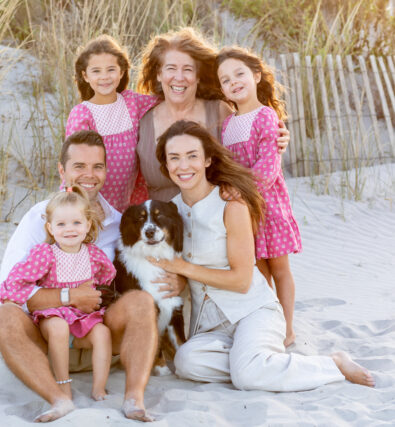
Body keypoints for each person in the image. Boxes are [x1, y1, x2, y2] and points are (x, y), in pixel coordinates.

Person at [148, 120, 375, 392]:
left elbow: (242, 280)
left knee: (247, 376)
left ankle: (332, 363)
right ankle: (258, 362)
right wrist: (179, 278)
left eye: (192, 156)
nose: (183, 166)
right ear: (166, 165)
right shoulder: (168, 213)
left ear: (207, 159)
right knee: (187, 363)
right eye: (174, 158)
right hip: (209, 325)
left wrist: (183, 267)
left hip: (252, 311)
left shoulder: (230, 204)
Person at [0, 130, 158, 423]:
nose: (89, 175)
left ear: (106, 170)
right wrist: (68, 297)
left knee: (142, 302)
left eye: (97, 166)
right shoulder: (39, 218)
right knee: (2, 316)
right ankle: (58, 398)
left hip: (99, 336)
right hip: (48, 339)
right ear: (62, 170)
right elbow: (10, 290)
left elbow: (141, 278)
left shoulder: (120, 223)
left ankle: (134, 399)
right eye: (79, 166)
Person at [136, 27, 290, 202]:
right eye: (171, 68)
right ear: (158, 74)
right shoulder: (141, 117)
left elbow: (253, 150)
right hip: (161, 224)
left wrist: (276, 139)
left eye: (187, 69)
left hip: (216, 221)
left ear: (199, 76)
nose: (179, 77)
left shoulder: (220, 112)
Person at [0, 186, 116, 406]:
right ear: (50, 228)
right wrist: (16, 298)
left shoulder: (93, 254)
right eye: (61, 224)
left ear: (88, 225)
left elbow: (108, 275)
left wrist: (94, 290)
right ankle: (63, 385)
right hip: (52, 314)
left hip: (81, 315)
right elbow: (16, 280)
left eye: (76, 223)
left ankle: (99, 388)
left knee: (102, 333)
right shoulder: (45, 254)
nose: (69, 229)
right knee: (58, 327)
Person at [217, 46, 301, 347]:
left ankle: (289, 327)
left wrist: (238, 191)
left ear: (255, 75)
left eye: (239, 74)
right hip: (243, 211)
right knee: (259, 270)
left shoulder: (266, 116)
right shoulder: (227, 124)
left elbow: (266, 167)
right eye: (225, 80)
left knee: (279, 269)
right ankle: (271, 323)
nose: (233, 82)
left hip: (268, 206)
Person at [66, 35, 158, 212]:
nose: (104, 77)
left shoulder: (132, 102)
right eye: (96, 71)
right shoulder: (82, 113)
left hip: (130, 202)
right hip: (92, 203)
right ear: (85, 75)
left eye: (111, 70)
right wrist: (78, 203)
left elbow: (164, 100)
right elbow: (73, 163)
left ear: (122, 71)